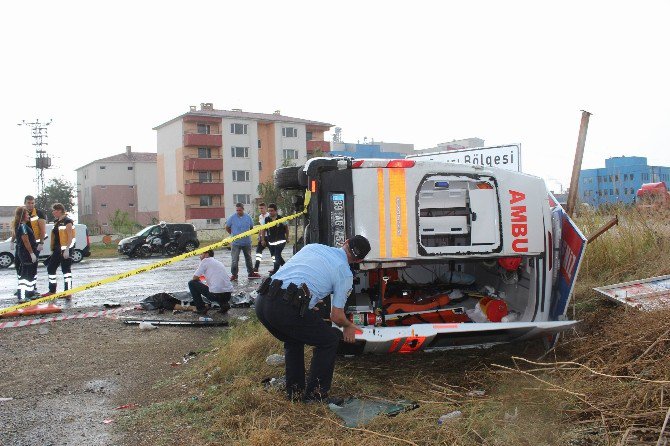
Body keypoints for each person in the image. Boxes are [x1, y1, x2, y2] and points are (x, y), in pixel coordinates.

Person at [255, 235, 371, 404]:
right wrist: (349, 326)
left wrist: (307, 304)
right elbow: (336, 316)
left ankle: (295, 391)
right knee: (329, 340)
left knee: (293, 338)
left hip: (263, 301)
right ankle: (316, 396)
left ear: (345, 242)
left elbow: (298, 275)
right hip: (285, 309)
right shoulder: (345, 274)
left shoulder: (313, 247)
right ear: (359, 259)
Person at [10, 195, 47, 295]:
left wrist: (41, 243)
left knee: (31, 267)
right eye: (28, 203)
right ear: (25, 203)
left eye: (32, 203)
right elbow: (15, 228)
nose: (30, 205)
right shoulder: (21, 213)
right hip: (22, 244)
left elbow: (43, 230)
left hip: (34, 244)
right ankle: (22, 288)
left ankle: (32, 288)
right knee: (19, 265)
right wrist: (12, 241)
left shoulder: (39, 214)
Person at [188, 249, 234, 315]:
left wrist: (199, 282)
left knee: (192, 283)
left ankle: (201, 308)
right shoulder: (218, 262)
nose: (199, 256)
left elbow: (194, 278)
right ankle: (224, 305)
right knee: (217, 287)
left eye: (201, 254)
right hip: (228, 295)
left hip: (216, 295)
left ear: (207, 254)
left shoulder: (205, 261)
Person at [43, 203, 75, 296]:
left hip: (65, 249)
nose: (53, 212)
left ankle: (68, 292)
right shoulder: (56, 222)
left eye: (54, 210)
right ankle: (52, 291)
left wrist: (67, 249)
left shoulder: (68, 221)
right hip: (57, 249)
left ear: (60, 210)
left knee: (66, 271)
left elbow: (70, 237)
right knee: (51, 268)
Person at [225, 203, 261, 281]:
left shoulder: (248, 217)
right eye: (237, 210)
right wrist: (233, 235)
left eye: (240, 210)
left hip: (246, 242)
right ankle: (234, 275)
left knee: (248, 258)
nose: (238, 211)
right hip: (236, 243)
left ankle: (251, 273)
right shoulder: (232, 218)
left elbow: (251, 227)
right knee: (235, 259)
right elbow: (227, 227)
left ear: (243, 209)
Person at [11, 207, 38, 302]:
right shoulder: (22, 226)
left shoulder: (22, 225)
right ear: (23, 216)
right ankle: (22, 296)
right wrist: (31, 253)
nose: (28, 216)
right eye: (27, 214)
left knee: (29, 274)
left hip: (26, 252)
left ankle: (29, 294)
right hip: (25, 253)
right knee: (25, 275)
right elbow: (26, 241)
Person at [263, 203, 289, 275]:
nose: (270, 212)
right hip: (271, 241)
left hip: (281, 241)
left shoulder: (281, 219)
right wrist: (262, 239)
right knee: (274, 256)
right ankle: (286, 267)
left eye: (272, 211)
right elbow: (263, 229)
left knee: (277, 255)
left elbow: (286, 228)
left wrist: (287, 237)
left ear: (276, 211)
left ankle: (275, 271)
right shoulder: (266, 219)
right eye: (269, 211)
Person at [253, 202, 271, 273]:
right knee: (258, 252)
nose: (261, 210)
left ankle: (277, 267)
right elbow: (261, 227)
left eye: (262, 208)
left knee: (273, 253)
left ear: (265, 208)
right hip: (261, 237)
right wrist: (259, 236)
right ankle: (256, 268)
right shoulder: (260, 216)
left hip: (269, 237)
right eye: (259, 208)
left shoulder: (269, 216)